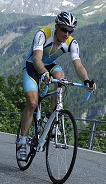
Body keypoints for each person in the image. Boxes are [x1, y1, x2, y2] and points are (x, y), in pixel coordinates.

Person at [17, 11, 96, 160]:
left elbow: (78, 66)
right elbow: (36, 59)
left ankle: (52, 116)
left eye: (70, 31)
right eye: (64, 29)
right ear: (56, 26)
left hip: (50, 65)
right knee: (32, 103)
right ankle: (22, 140)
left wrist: (86, 80)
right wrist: (45, 74)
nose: (67, 33)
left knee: (60, 78)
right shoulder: (43, 34)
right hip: (32, 66)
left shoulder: (72, 43)